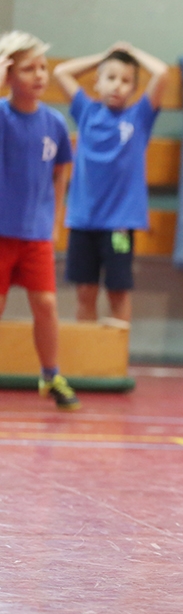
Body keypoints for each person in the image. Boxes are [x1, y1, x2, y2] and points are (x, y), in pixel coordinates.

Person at [52, 42, 169, 323]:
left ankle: (117, 350)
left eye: (126, 81)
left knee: (117, 291)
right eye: (111, 77)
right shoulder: (86, 111)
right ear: (98, 81)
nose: (117, 85)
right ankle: (86, 352)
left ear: (134, 88)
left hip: (119, 227)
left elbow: (162, 73)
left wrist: (132, 52)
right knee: (85, 292)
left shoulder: (139, 116)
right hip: (83, 223)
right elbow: (60, 72)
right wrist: (103, 57)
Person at [0, 31, 78, 410]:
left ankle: (51, 376)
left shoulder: (54, 122)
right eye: (28, 69)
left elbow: (61, 170)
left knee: (46, 304)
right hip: (1, 233)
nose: (39, 75)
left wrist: (56, 218)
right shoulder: (2, 116)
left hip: (35, 234)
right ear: (9, 75)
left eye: (43, 67)